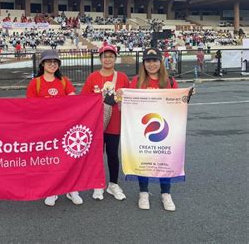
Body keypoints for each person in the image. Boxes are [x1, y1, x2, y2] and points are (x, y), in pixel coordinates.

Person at [26, 49, 83, 207]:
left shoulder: (64, 81)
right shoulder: (35, 83)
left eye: (55, 62)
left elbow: (74, 102)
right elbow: (31, 108)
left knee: (69, 159)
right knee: (51, 159)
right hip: (45, 129)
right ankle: (53, 190)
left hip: (65, 128)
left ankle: (72, 189)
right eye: (49, 61)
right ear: (42, 64)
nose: (52, 64)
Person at [129, 48, 178, 212]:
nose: (151, 64)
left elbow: (179, 104)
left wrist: (187, 96)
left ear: (160, 62)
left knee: (165, 159)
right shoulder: (136, 81)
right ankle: (143, 192)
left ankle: (166, 193)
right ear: (143, 63)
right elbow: (129, 105)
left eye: (154, 60)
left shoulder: (169, 81)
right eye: (148, 61)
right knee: (144, 160)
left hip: (165, 128)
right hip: (143, 128)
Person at [81, 45, 129, 202]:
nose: (107, 59)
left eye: (111, 56)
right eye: (104, 56)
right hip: (96, 124)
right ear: (100, 58)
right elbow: (83, 100)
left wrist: (123, 95)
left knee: (113, 154)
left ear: (115, 58)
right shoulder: (93, 77)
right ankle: (97, 184)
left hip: (115, 122)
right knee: (97, 155)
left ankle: (113, 184)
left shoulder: (122, 77)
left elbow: (132, 98)